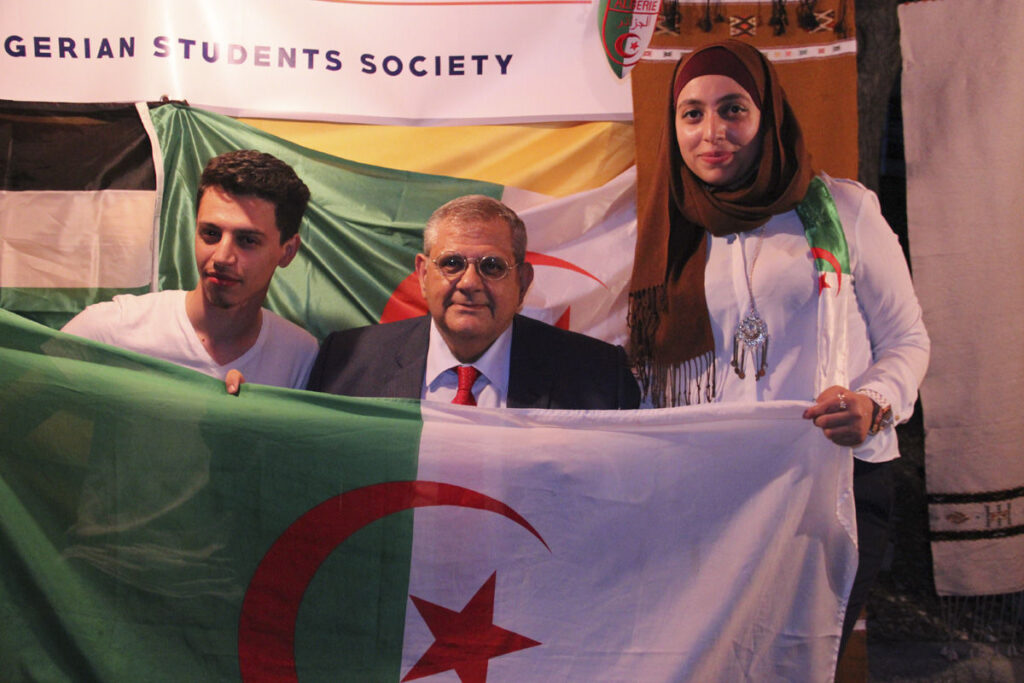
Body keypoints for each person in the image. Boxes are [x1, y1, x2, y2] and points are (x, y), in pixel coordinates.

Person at [627, 40, 929, 657]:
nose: (712, 132)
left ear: (767, 115)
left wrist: (873, 404)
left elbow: (907, 338)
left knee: (803, 655)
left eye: (733, 109)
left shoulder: (843, 209)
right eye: (691, 113)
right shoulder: (671, 227)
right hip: (717, 491)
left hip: (835, 481)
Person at [308, 194, 640, 409]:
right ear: (423, 275)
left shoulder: (598, 378)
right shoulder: (345, 364)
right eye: (452, 263)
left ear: (523, 282)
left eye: (492, 267)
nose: (469, 283)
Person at [62, 150, 318, 390]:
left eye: (248, 240)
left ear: (288, 251)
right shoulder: (110, 329)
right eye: (211, 233)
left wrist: (247, 414)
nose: (222, 257)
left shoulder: (299, 355)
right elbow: (38, 397)